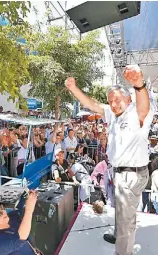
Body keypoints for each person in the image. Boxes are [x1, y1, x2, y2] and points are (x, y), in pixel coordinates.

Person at [65, 65, 153, 255]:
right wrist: (74, 89)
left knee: (125, 221)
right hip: (118, 171)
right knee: (120, 211)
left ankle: (123, 252)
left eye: (118, 100)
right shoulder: (112, 114)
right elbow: (92, 104)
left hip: (131, 174)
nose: (113, 104)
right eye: (110, 101)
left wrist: (139, 85)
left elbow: (144, 107)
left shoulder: (137, 113)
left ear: (129, 99)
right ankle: (117, 234)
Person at [0, 190, 42, 255]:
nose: (4, 212)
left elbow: (19, 208)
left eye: (2, 208)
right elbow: (20, 239)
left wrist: (27, 195)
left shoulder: (10, 217)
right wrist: (29, 209)